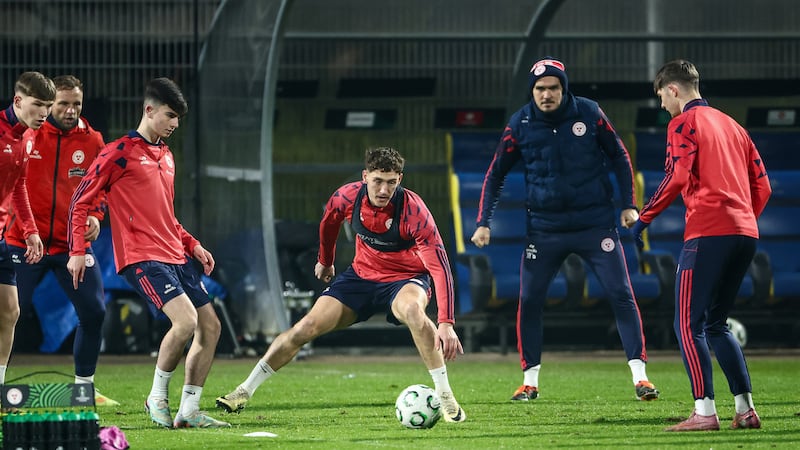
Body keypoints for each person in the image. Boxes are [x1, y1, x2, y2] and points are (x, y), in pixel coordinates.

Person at [215, 147, 467, 423]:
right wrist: (326, 260)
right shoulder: (347, 196)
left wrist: (446, 322)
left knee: (414, 313)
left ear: (400, 180)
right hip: (361, 277)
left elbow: (439, 268)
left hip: (405, 279)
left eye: (391, 182)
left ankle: (444, 395)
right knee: (305, 328)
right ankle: (243, 391)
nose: (384, 190)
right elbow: (328, 225)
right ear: (365, 177)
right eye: (378, 181)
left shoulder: (414, 211)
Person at [471, 57, 659, 402]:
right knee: (529, 300)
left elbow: (619, 156)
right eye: (540, 89)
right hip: (545, 229)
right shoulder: (521, 123)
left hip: (594, 224)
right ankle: (530, 382)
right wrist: (484, 221)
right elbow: (495, 173)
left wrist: (629, 204)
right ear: (533, 91)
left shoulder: (589, 113)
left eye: (553, 88)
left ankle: (641, 377)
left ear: (564, 87)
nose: (546, 94)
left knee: (621, 293)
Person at [67, 77, 229, 428]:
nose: (174, 124)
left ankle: (188, 410)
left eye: (178, 119)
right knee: (186, 321)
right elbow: (79, 201)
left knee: (211, 326)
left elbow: (166, 215)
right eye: (169, 115)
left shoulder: (166, 156)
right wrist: (77, 250)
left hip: (175, 254)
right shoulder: (118, 152)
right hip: (142, 256)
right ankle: (156, 398)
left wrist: (193, 244)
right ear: (149, 109)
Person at [632, 59, 771, 432]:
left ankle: (705, 412)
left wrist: (643, 219)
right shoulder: (735, 126)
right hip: (745, 234)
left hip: (707, 233)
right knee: (716, 324)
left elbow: (676, 176)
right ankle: (745, 409)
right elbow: (764, 187)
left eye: (662, 97)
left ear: (673, 89)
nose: (662, 106)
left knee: (686, 324)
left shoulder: (683, 123)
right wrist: (741, 219)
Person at [5, 75, 118, 407]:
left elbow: (102, 188)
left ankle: (85, 388)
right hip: (23, 243)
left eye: (76, 104)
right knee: (7, 314)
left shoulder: (93, 141)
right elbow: (13, 185)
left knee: (94, 311)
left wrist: (97, 216)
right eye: (63, 104)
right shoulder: (28, 132)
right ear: (49, 104)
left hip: (73, 247)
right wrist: (26, 230)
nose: (70, 111)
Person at [0, 71, 51, 388]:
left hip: (2, 236)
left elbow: (18, 184)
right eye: (38, 105)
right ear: (18, 101)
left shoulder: (29, 136)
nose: (44, 113)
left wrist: (30, 230)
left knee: (10, 310)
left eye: (48, 105)